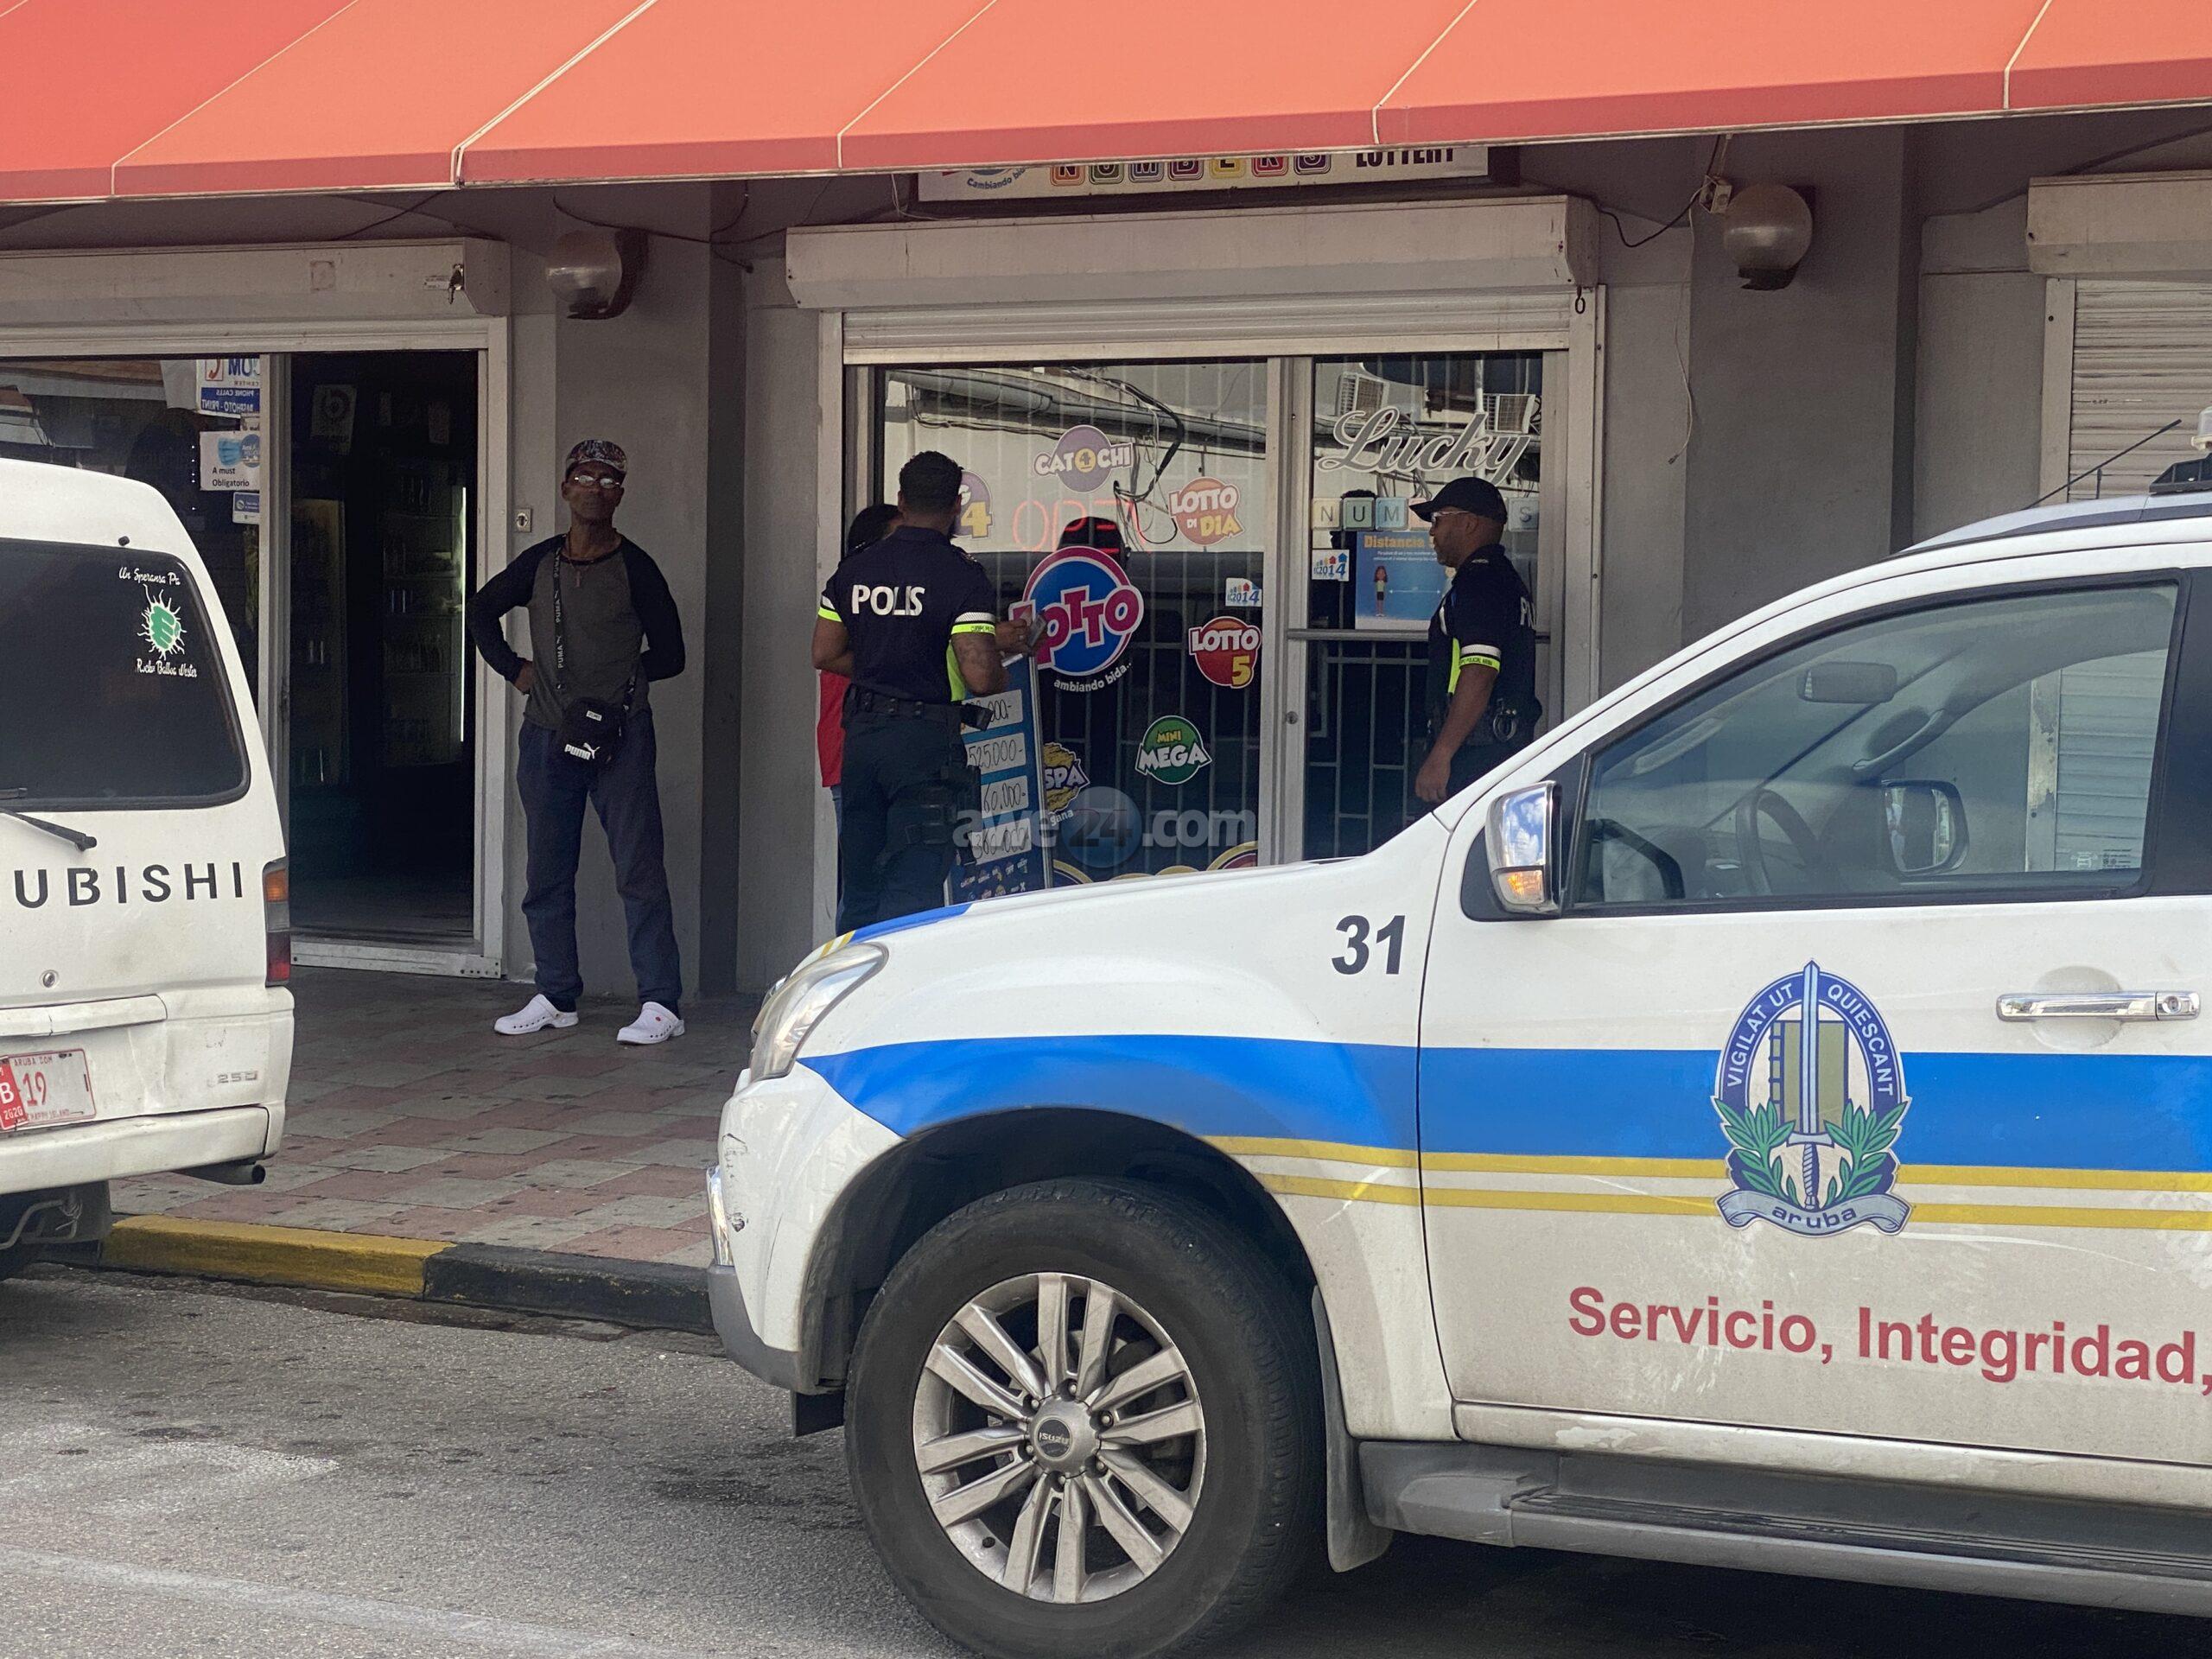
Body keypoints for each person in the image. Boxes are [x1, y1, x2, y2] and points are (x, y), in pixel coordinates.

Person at [467, 439, 689, 1044]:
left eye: (609, 480)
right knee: (546, 869)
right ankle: (556, 993)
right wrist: (515, 669)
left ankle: (661, 1002)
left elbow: (673, 654)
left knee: (638, 868)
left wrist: (624, 681)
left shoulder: (636, 567)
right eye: (585, 478)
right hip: (547, 732)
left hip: (622, 735)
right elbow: (480, 610)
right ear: (566, 489)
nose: (596, 488)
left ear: (621, 495)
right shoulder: (540, 562)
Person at [813, 451, 1012, 931]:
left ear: (901, 501)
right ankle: (898, 978)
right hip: (924, 748)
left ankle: (853, 977)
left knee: (861, 887)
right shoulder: (960, 576)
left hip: (863, 742)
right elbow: (981, 676)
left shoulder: (856, 569)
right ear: (956, 506)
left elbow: (824, 652)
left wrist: (882, 664)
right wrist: (997, 671)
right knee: (913, 890)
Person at [1410, 475, 1539, 805]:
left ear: (1468, 523)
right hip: (1498, 747)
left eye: (1437, 520)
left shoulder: (1480, 583)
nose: (1432, 532)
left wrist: (1442, 754)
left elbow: (1480, 671)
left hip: (1474, 755)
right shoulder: (1503, 578)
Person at [817, 504, 903, 837]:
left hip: (887, 752)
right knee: (864, 864)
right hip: (852, 751)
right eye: (898, 540)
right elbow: (825, 655)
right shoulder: (854, 590)